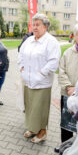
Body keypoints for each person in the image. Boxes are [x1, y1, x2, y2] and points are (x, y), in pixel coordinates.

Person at [18, 13, 61, 143]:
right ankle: (32, 128)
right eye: (33, 25)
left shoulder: (51, 42)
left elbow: (53, 62)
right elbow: (21, 55)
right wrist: (22, 68)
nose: (35, 28)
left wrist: (40, 74)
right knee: (30, 106)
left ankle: (42, 132)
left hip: (42, 82)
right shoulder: (29, 40)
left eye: (38, 25)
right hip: (28, 80)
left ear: (45, 26)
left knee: (40, 108)